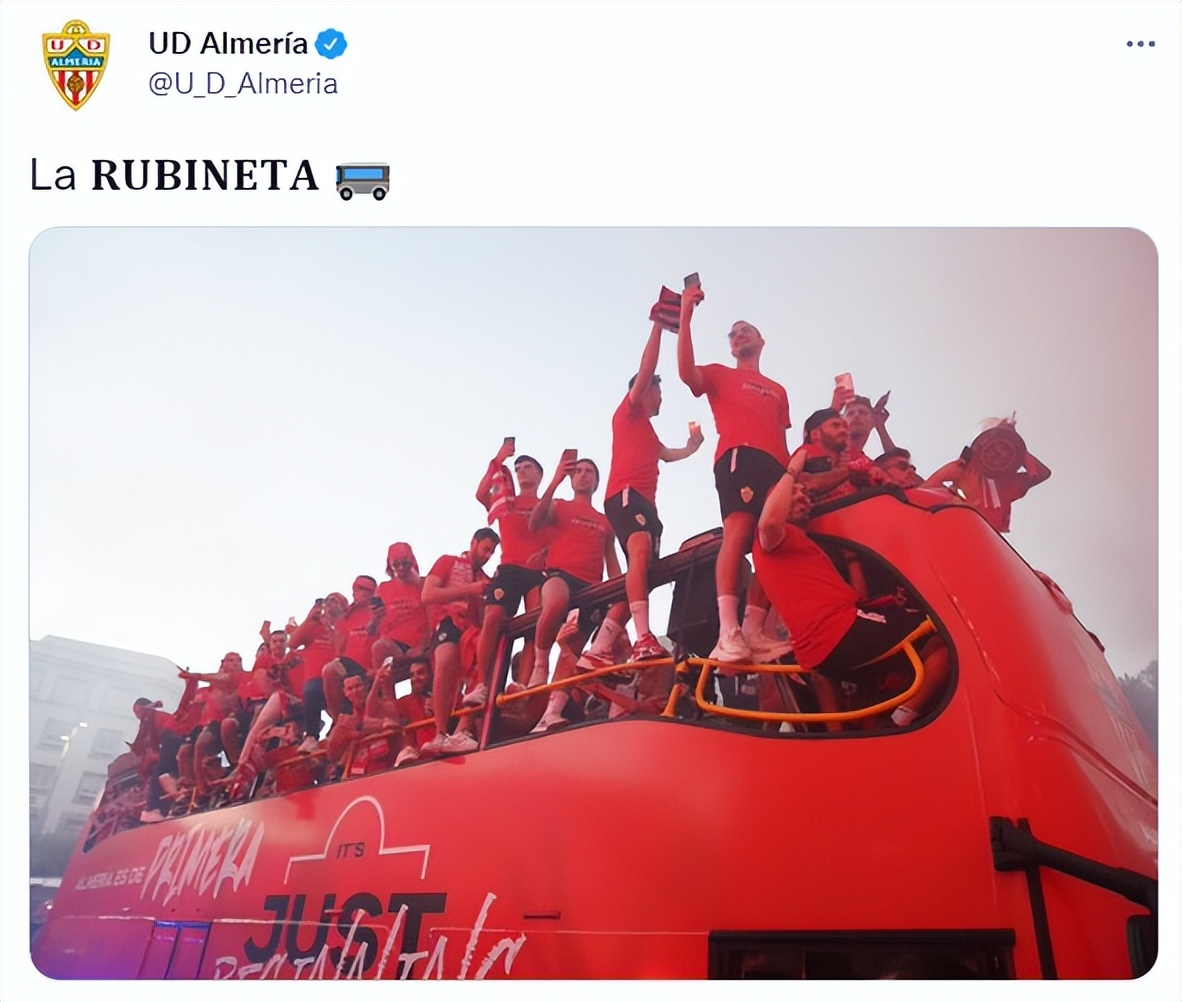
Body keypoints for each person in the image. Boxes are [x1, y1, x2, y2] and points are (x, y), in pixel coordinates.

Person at [754, 473, 950, 726]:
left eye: (806, 493)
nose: (803, 496)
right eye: (794, 492)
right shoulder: (772, 538)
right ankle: (900, 721)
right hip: (838, 633)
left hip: (828, 647)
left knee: (893, 679)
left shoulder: (805, 550)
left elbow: (858, 599)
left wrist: (858, 567)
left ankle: (878, 731)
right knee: (943, 636)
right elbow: (769, 523)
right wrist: (792, 471)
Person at [676, 281, 792, 663]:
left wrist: (791, 477)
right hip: (738, 457)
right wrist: (686, 314)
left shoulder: (778, 390)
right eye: (733, 333)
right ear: (730, 347)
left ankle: (754, 628)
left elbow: (781, 437)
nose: (740, 335)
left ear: (761, 341)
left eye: (746, 330)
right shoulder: (720, 374)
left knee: (774, 544)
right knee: (738, 532)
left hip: (775, 468)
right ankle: (728, 632)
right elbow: (687, 373)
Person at [579, 321, 704, 670]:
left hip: (645, 505)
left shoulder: (648, 432)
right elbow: (647, 366)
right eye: (658, 391)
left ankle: (600, 648)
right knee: (640, 553)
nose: (661, 398)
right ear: (646, 390)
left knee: (643, 573)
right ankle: (643, 638)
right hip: (625, 495)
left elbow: (668, 455)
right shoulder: (629, 412)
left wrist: (692, 446)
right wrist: (659, 328)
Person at [527, 454, 623, 732]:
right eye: (578, 471)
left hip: (591, 586)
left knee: (572, 652)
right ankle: (540, 664)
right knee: (556, 601)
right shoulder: (560, 505)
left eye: (589, 471)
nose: (582, 475)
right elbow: (534, 523)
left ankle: (551, 712)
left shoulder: (604, 521)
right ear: (571, 479)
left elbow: (611, 559)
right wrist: (556, 479)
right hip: (560, 574)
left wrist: (619, 589)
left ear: (596, 481)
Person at [473, 445, 551, 700]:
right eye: (518, 468)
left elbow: (561, 538)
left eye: (527, 467)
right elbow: (481, 494)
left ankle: (524, 685)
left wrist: (546, 553)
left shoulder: (548, 505)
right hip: (509, 567)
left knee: (535, 624)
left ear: (540, 474)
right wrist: (498, 459)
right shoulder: (507, 501)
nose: (521, 471)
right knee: (493, 617)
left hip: (537, 572)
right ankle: (482, 684)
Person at [420, 528, 500, 755]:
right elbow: (427, 595)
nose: (487, 556)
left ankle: (462, 730)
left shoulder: (485, 580)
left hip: (472, 631)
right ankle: (440, 733)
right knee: (445, 663)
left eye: (491, 552)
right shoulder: (447, 562)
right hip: (447, 622)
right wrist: (468, 590)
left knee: (485, 661)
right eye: (485, 549)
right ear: (473, 543)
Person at [924, 421, 1051, 533]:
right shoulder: (961, 470)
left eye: (1004, 450)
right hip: (959, 534)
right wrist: (941, 475)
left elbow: (1042, 473)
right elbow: (922, 497)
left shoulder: (1006, 484)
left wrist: (1018, 447)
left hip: (987, 542)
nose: (997, 454)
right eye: (992, 449)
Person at [796, 408, 887, 505]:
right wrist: (849, 470)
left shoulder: (852, 454)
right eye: (835, 425)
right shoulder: (806, 452)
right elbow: (808, 484)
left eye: (844, 427)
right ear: (815, 434)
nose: (844, 430)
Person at [371, 543, 432, 672]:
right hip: (392, 643)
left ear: (411, 561)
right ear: (390, 564)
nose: (401, 568)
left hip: (419, 643)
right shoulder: (383, 589)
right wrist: (375, 620)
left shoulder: (424, 584)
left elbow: (432, 619)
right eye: (396, 564)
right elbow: (372, 629)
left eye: (405, 563)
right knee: (380, 647)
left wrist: (421, 647)